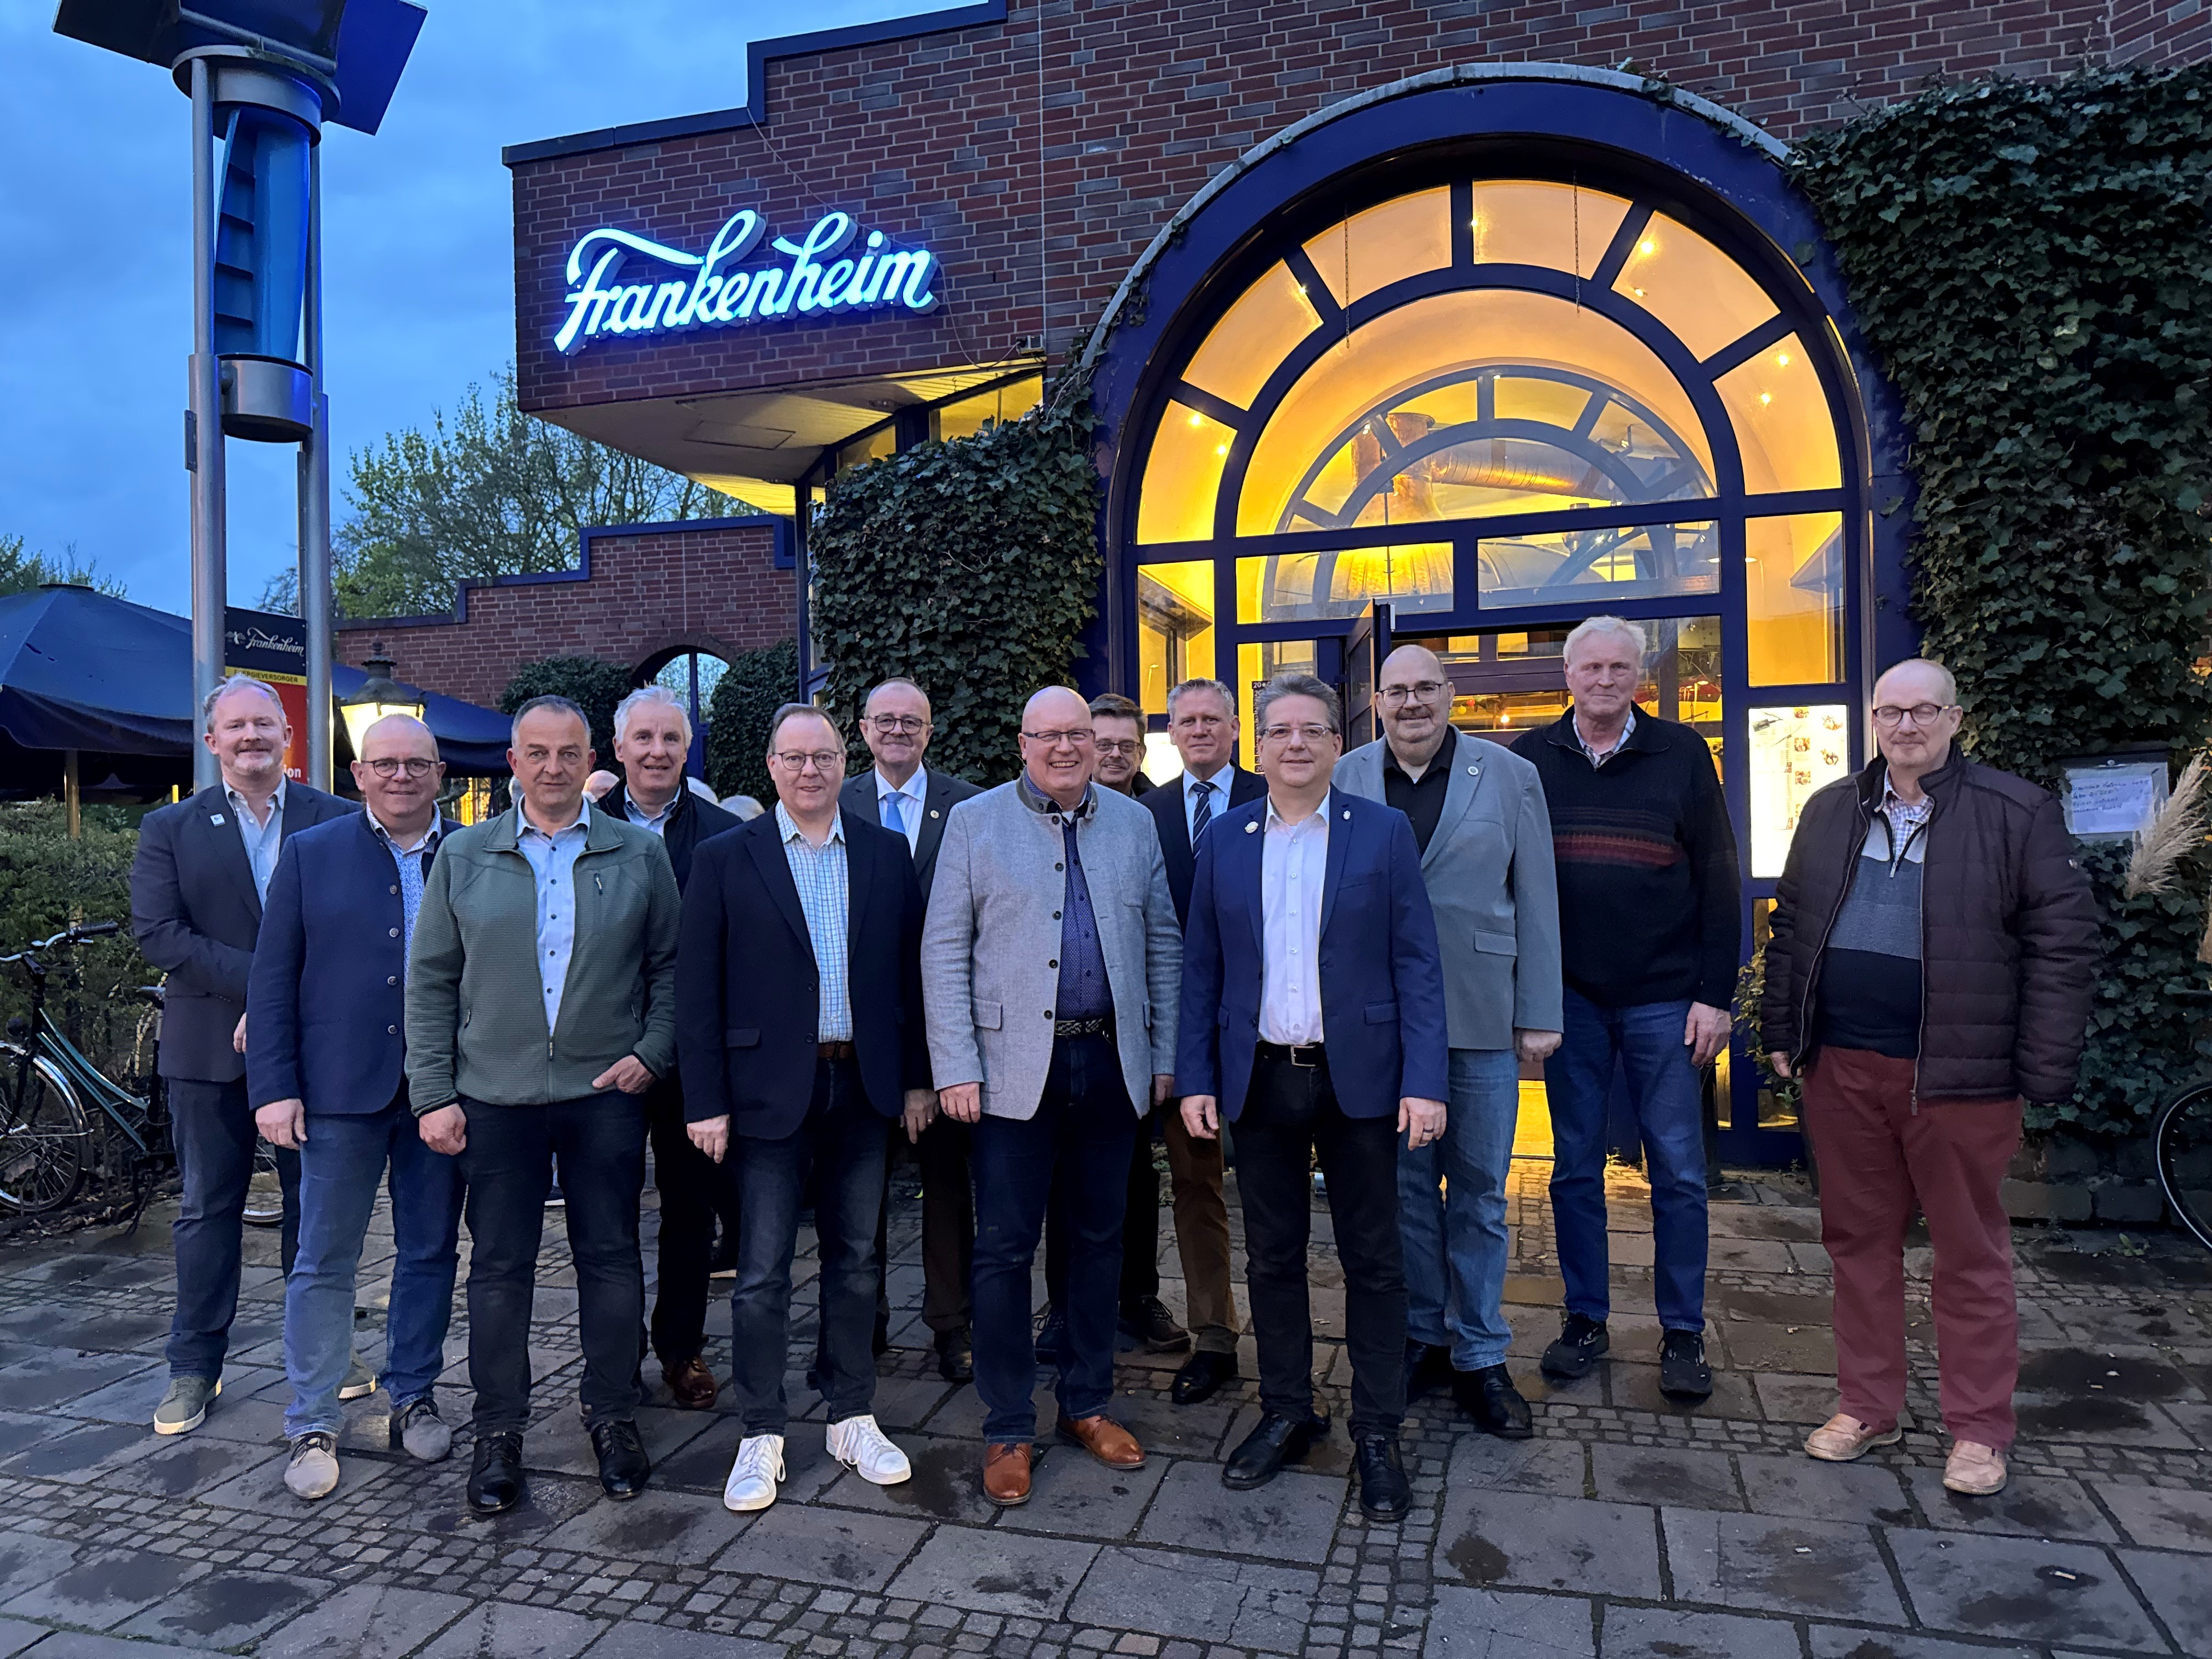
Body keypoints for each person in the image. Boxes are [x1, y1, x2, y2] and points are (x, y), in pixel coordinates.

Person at [1762, 659, 2096, 1497]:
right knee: (1856, 1244)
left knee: (1970, 1252)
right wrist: (1783, 1030)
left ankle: (1979, 1429)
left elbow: (2063, 945)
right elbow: (1792, 924)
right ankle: (1867, 1406)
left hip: (1958, 1074)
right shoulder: (1831, 809)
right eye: (1890, 712)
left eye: (1923, 711)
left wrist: (2043, 1066)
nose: (1905, 726)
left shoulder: (2015, 812)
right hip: (1843, 1064)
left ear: (1955, 718)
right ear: (1873, 719)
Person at [1176, 672, 1447, 1522]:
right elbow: (1201, 969)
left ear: (1338, 743)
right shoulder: (1225, 837)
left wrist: (1425, 1081)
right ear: (1257, 747)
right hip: (1260, 1078)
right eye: (1280, 731)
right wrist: (1196, 1078)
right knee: (1272, 1255)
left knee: (1375, 1260)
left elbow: (1418, 963)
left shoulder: (1383, 831)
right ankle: (1288, 1409)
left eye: (1312, 731)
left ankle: (1378, 1431)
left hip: (1359, 1079)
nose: (1295, 744)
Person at [405, 695, 681, 1516]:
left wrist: (651, 1053)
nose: (553, 767)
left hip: (605, 1094)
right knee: (499, 1267)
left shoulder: (637, 854)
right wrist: (433, 1093)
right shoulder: (465, 854)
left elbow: (671, 968)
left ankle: (613, 1414)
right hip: (496, 1097)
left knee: (611, 1257)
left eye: (568, 753)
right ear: (514, 762)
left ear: (592, 759)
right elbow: (431, 981)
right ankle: (498, 1431)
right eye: (537, 753)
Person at [921, 685, 1180, 1506]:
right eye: (1049, 736)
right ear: (1023, 743)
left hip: (1110, 1064)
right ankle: (1007, 1424)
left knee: (1099, 1243)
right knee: (1003, 1250)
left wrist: (1164, 1054)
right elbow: (943, 949)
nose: (1065, 748)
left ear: (1097, 744)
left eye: (1078, 735)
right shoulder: (975, 823)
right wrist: (955, 1066)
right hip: (1008, 1074)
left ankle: (1086, 1403)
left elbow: (1162, 943)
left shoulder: (1134, 823)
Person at [679, 702, 932, 1511]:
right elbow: (697, 990)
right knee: (760, 1273)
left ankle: (851, 1414)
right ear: (772, 767)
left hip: (863, 1085)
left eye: (823, 756)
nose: (810, 770)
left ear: (843, 762)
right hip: (763, 1093)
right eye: (794, 758)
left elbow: (910, 975)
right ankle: (762, 1430)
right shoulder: (726, 857)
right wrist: (705, 1100)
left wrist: (918, 1080)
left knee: (857, 1260)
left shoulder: (886, 854)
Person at [1511, 616, 1740, 1402]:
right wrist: (1525, 996)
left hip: (1664, 998)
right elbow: (1510, 879)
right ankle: (1585, 1319)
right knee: (1573, 1168)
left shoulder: (1681, 752)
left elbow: (1719, 874)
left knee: (1678, 1170)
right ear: (1567, 675)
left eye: (1618, 668)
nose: (1604, 680)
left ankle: (1682, 1331)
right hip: (1569, 998)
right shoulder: (1530, 758)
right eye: (1591, 667)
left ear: (1637, 674)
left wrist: (1715, 995)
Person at [1336, 644, 1561, 1436]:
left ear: (1451, 694)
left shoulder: (1510, 776)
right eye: (1396, 691)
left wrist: (1539, 1009)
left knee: (1481, 1194)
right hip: (1380, 1021)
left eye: (1425, 688)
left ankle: (1481, 1353)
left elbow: (1537, 894)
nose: (1411, 703)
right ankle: (1424, 1333)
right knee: (1403, 1194)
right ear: (1376, 701)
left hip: (1479, 1013)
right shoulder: (1345, 776)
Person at [247, 714, 463, 1500]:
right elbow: (273, 979)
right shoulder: (312, 853)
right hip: (337, 1092)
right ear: (360, 774)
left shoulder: (470, 854)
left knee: (430, 1251)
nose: (401, 776)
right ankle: (312, 1420)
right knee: (323, 1258)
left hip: (440, 1092)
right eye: (386, 764)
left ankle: (414, 1396)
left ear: (439, 775)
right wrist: (273, 1087)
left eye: (417, 764)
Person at [130, 675, 352, 1437]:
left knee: (313, 1208)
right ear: (212, 741)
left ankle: (321, 1354)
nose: (251, 736)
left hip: (314, 1047)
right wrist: (265, 988)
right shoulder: (169, 828)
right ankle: (194, 1366)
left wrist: (280, 1003)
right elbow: (161, 934)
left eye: (264, 723)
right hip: (208, 1048)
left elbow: (353, 927)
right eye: (236, 727)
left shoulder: (338, 818)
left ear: (287, 735)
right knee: (206, 1211)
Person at [597, 686, 742, 1410]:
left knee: (690, 1213)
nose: (658, 751)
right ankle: (615, 1354)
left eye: (671, 739)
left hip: (691, 1057)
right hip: (602, 1055)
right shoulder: (578, 827)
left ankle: (681, 1348)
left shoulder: (724, 835)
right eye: (644, 738)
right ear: (619, 748)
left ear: (688, 750)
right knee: (609, 1215)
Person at [1034, 691, 1185, 1373]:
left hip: (1129, 1038)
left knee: (1135, 1179)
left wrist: (1164, 1044)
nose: (1114, 753)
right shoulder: (1037, 817)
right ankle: (1065, 1305)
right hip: (1052, 1041)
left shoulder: (1153, 815)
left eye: (1127, 743)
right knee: (1062, 1183)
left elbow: (1163, 936)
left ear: (1140, 750)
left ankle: (1138, 1296)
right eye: (1105, 741)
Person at [838, 677, 983, 1381]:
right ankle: (861, 1323)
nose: (898, 731)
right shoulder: (835, 802)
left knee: (948, 1190)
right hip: (861, 1031)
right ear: (864, 729)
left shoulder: (971, 808)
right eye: (885, 720)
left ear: (930, 731)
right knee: (858, 1191)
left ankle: (952, 1326)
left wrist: (932, 1068)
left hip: (949, 1027)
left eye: (912, 721)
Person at [1131, 676, 1263, 1405]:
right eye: (1188, 721)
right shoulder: (1143, 815)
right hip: (1178, 1034)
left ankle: (1286, 1337)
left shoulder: (1275, 798)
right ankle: (1215, 1336)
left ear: (1236, 727)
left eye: (1214, 718)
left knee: (1272, 1194)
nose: (1201, 730)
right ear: (1173, 732)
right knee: (1195, 1185)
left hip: (1265, 1030)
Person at [1088, 692, 1154, 797]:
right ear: (1086, 751)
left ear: (1141, 755)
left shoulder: (1164, 807)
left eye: (1127, 746)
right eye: (1104, 745)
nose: (1116, 754)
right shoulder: (1063, 805)